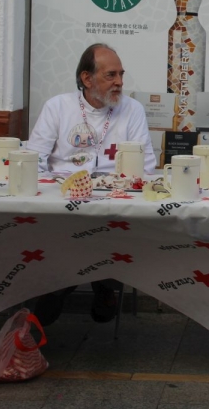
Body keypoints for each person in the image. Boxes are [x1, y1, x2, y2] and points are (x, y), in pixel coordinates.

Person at [28, 43, 156, 324]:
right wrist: (57, 188)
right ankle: (77, 286)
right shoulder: (58, 107)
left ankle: (87, 286)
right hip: (63, 200)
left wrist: (112, 186)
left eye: (121, 74)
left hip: (114, 200)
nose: (120, 82)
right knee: (66, 228)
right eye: (111, 75)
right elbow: (32, 161)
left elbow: (146, 165)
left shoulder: (132, 109)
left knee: (109, 227)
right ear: (87, 79)